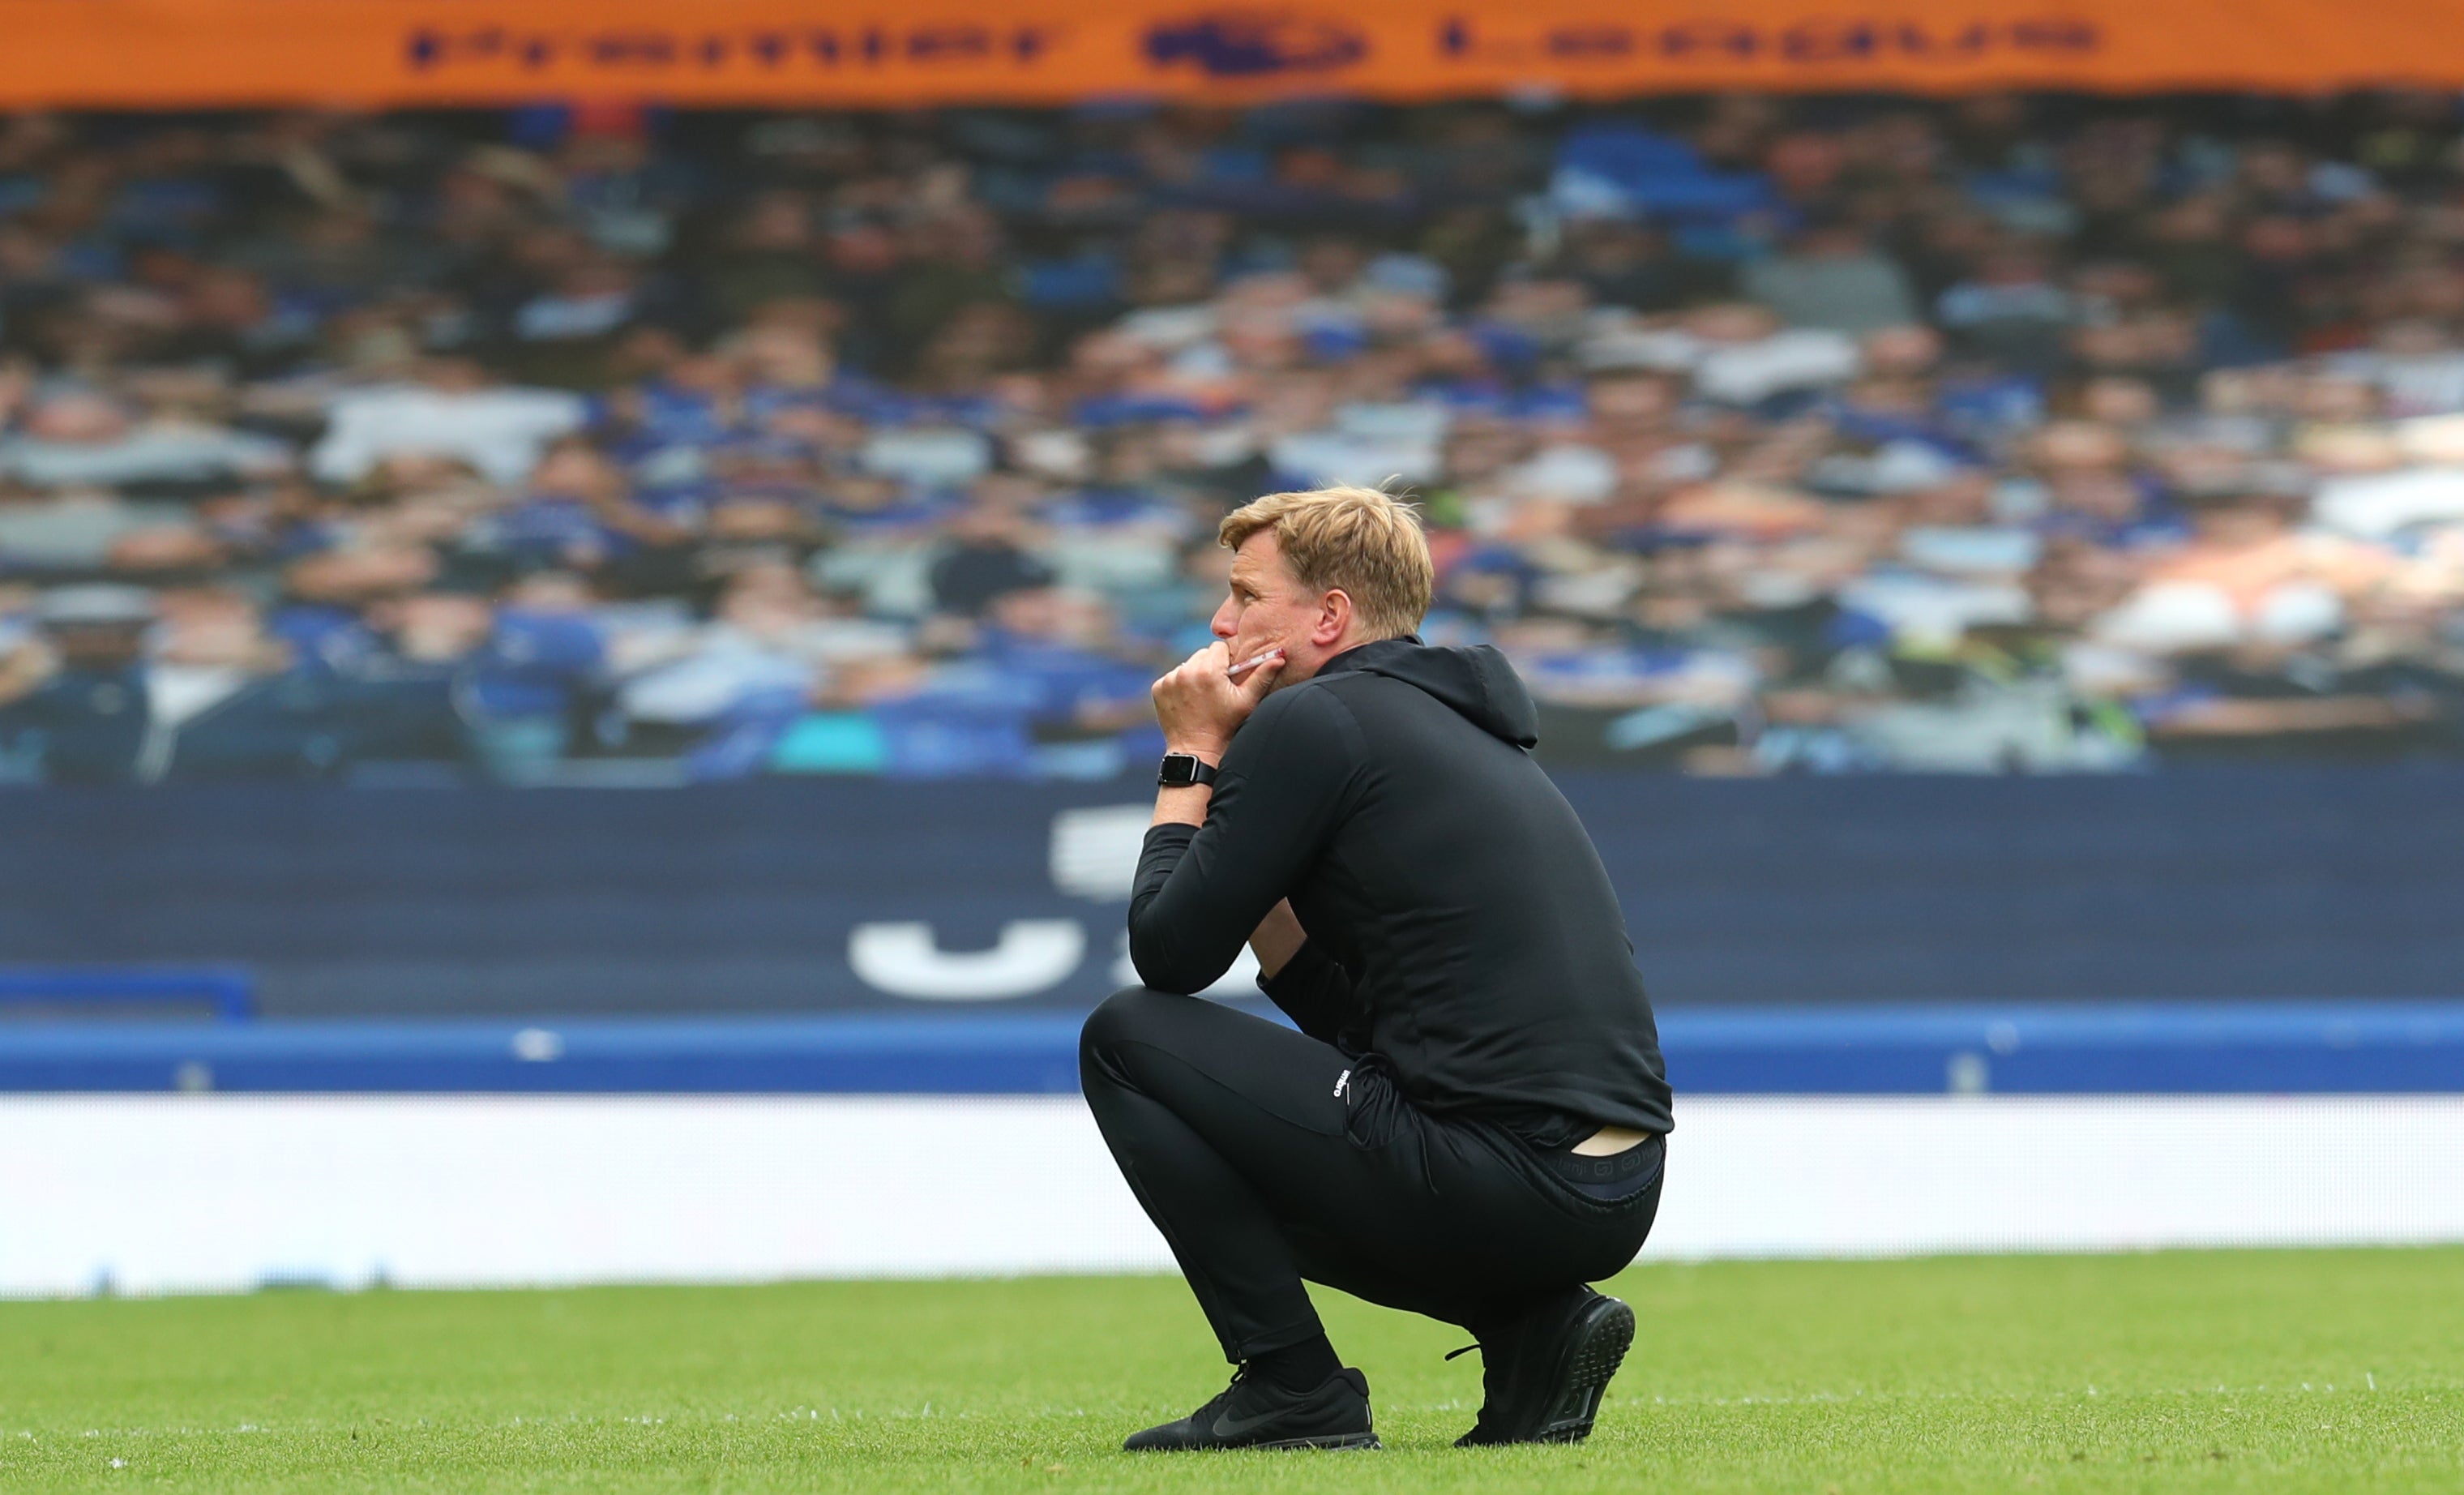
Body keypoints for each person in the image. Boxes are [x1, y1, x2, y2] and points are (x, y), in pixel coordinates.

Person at [1079, 485, 1674, 1453]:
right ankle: (1530, 1327)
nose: (1220, 622)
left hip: (1505, 1173)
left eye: (1245, 595)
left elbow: (1169, 957)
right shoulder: (1443, 721)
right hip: (1614, 1189)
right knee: (1260, 1099)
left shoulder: (1314, 722)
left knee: (1126, 1038)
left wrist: (1191, 756)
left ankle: (1292, 1386)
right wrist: (1253, 872)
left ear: (1328, 617)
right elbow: (1370, 1025)